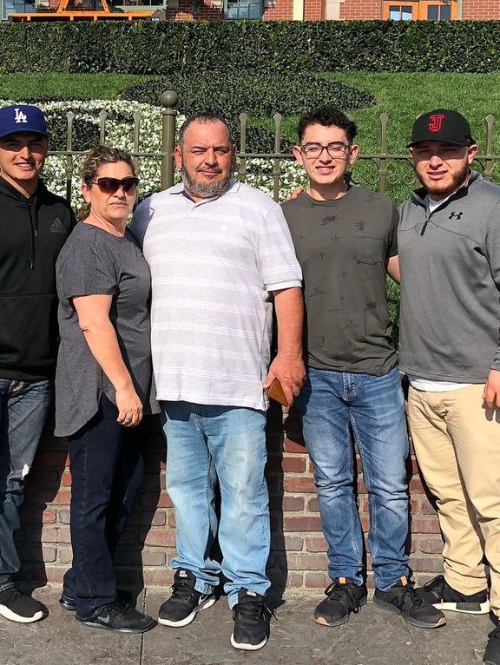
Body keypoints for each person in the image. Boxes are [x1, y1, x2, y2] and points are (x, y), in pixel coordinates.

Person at [131, 113, 304, 651]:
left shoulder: (259, 209)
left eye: (220, 150)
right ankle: (195, 576)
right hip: (176, 382)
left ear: (234, 154)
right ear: (178, 155)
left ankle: (247, 591)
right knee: (185, 491)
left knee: (244, 493)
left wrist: (288, 354)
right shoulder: (149, 211)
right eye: (198, 150)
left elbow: (287, 287)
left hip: (239, 384)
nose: (210, 160)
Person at [281, 106, 444, 630]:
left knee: (390, 485)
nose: (324, 156)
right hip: (317, 373)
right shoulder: (281, 218)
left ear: (352, 153)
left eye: (334, 147)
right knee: (332, 483)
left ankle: (394, 581)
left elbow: (413, 280)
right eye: (314, 147)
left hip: (377, 369)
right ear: (297, 154)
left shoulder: (381, 210)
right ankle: (346, 579)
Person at [398, 110, 500, 665]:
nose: (435, 160)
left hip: (477, 383)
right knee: (449, 494)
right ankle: (466, 581)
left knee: (493, 500)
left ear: (471, 152)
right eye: (425, 150)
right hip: (422, 379)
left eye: (449, 150)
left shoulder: (493, 208)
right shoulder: (409, 210)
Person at [54, 145, 155, 634]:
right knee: (95, 496)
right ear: (87, 189)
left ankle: (81, 583)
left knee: (126, 487)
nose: (119, 192)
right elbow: (94, 324)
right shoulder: (88, 244)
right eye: (108, 184)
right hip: (100, 392)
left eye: (127, 183)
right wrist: (123, 388)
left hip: (128, 389)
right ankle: (96, 600)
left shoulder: (124, 237)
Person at [0, 104, 75, 624]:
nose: (25, 153)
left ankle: (3, 581)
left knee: (12, 480)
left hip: (35, 375)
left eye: (34, 143)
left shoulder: (59, 211)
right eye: (12, 144)